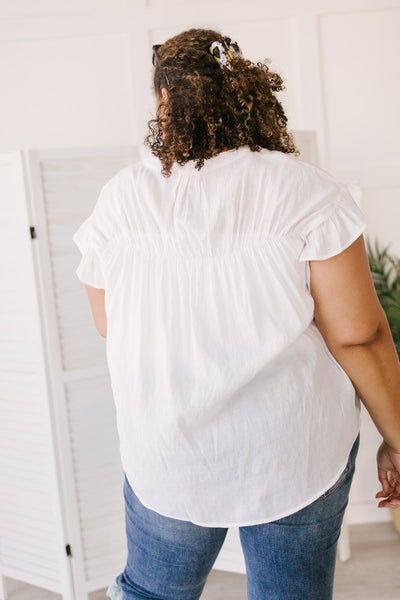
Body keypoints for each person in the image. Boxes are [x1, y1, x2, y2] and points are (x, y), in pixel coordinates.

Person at [72, 27, 400, 600]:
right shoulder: (303, 192)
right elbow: (359, 335)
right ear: (248, 94)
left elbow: (110, 322)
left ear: (163, 104)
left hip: (167, 446)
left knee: (151, 592)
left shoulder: (122, 198)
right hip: (293, 446)